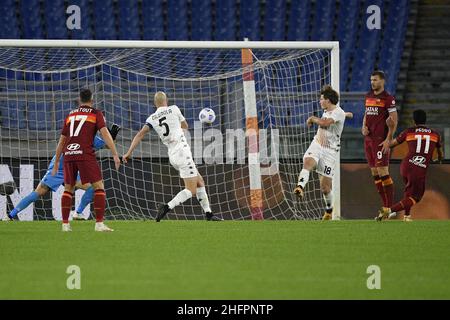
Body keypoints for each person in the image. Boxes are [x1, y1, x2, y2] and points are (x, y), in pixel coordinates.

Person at [122, 91, 222, 222]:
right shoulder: (174, 109)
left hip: (172, 155)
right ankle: (167, 207)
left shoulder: (151, 118)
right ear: (166, 100)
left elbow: (140, 134)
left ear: (155, 104)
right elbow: (185, 126)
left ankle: (209, 214)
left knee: (199, 182)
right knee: (190, 190)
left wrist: (128, 153)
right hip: (183, 152)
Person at [3, 124, 121, 221]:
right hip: (59, 167)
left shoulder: (93, 138)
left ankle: (78, 213)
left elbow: (108, 145)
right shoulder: (78, 137)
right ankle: (10, 215)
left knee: (94, 188)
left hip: (71, 168)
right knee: (38, 193)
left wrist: (113, 135)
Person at [52, 88, 121, 232]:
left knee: (68, 189)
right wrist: (115, 154)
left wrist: (57, 160)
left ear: (79, 99)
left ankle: (65, 225)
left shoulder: (70, 115)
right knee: (99, 186)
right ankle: (99, 224)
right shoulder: (96, 113)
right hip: (85, 154)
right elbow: (105, 134)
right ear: (92, 99)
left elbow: (62, 140)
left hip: (69, 154)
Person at [293, 85, 352, 220]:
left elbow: (325, 123)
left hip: (330, 151)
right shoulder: (329, 111)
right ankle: (300, 187)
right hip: (317, 144)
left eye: (321, 99)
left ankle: (329, 210)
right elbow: (334, 117)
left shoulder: (337, 112)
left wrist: (312, 118)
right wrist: (347, 114)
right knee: (308, 163)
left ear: (328, 100)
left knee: (325, 188)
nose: (320, 102)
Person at [376, 110, 443, 222]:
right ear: (426, 120)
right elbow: (440, 152)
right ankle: (389, 211)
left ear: (413, 121)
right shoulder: (435, 134)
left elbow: (392, 144)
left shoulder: (409, 131)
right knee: (416, 197)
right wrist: (439, 159)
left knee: (408, 191)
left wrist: (384, 140)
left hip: (406, 165)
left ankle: (407, 216)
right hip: (419, 167)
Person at [362, 70, 398, 210]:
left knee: (383, 171)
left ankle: (389, 208)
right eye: (371, 80)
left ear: (383, 81)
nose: (372, 82)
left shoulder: (388, 98)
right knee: (375, 173)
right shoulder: (368, 96)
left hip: (380, 140)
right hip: (369, 140)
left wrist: (389, 139)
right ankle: (385, 207)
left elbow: (394, 120)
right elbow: (366, 113)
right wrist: (363, 126)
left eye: (375, 80)